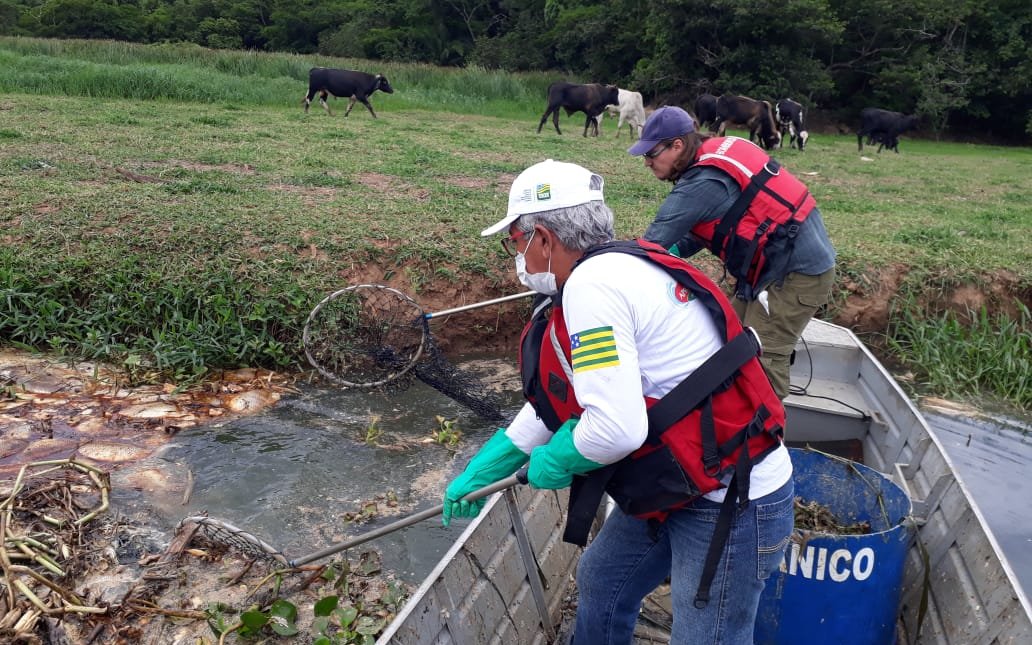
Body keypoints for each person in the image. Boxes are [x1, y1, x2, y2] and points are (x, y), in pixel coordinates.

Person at [442, 159, 794, 644]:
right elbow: (564, 395)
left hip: (731, 496)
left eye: (516, 243)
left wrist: (557, 459)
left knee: (705, 637)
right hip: (679, 479)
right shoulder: (617, 267)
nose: (516, 256)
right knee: (603, 582)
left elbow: (614, 429)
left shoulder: (594, 288)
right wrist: (494, 460)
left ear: (543, 238)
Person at [629, 106, 837, 399]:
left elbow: (651, 243)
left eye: (651, 154)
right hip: (770, 267)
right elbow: (710, 225)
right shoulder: (719, 152)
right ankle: (727, 419)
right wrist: (671, 252)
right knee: (726, 341)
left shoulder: (702, 181)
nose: (647, 163)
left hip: (795, 274)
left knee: (762, 358)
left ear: (677, 145)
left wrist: (617, 265)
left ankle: (767, 439)